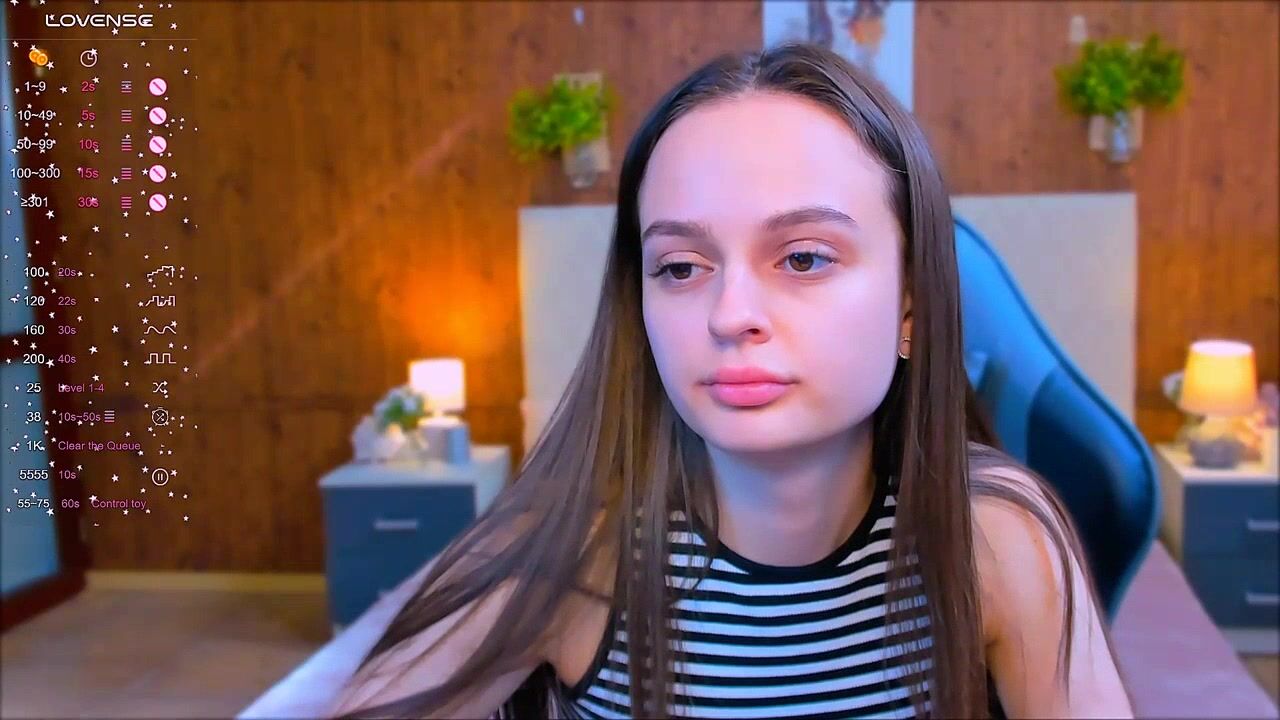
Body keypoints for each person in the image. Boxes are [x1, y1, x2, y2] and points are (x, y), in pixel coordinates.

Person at [328, 42, 1134, 719]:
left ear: (910, 306)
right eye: (681, 267)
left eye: (804, 258)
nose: (730, 313)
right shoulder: (570, 549)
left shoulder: (994, 540)